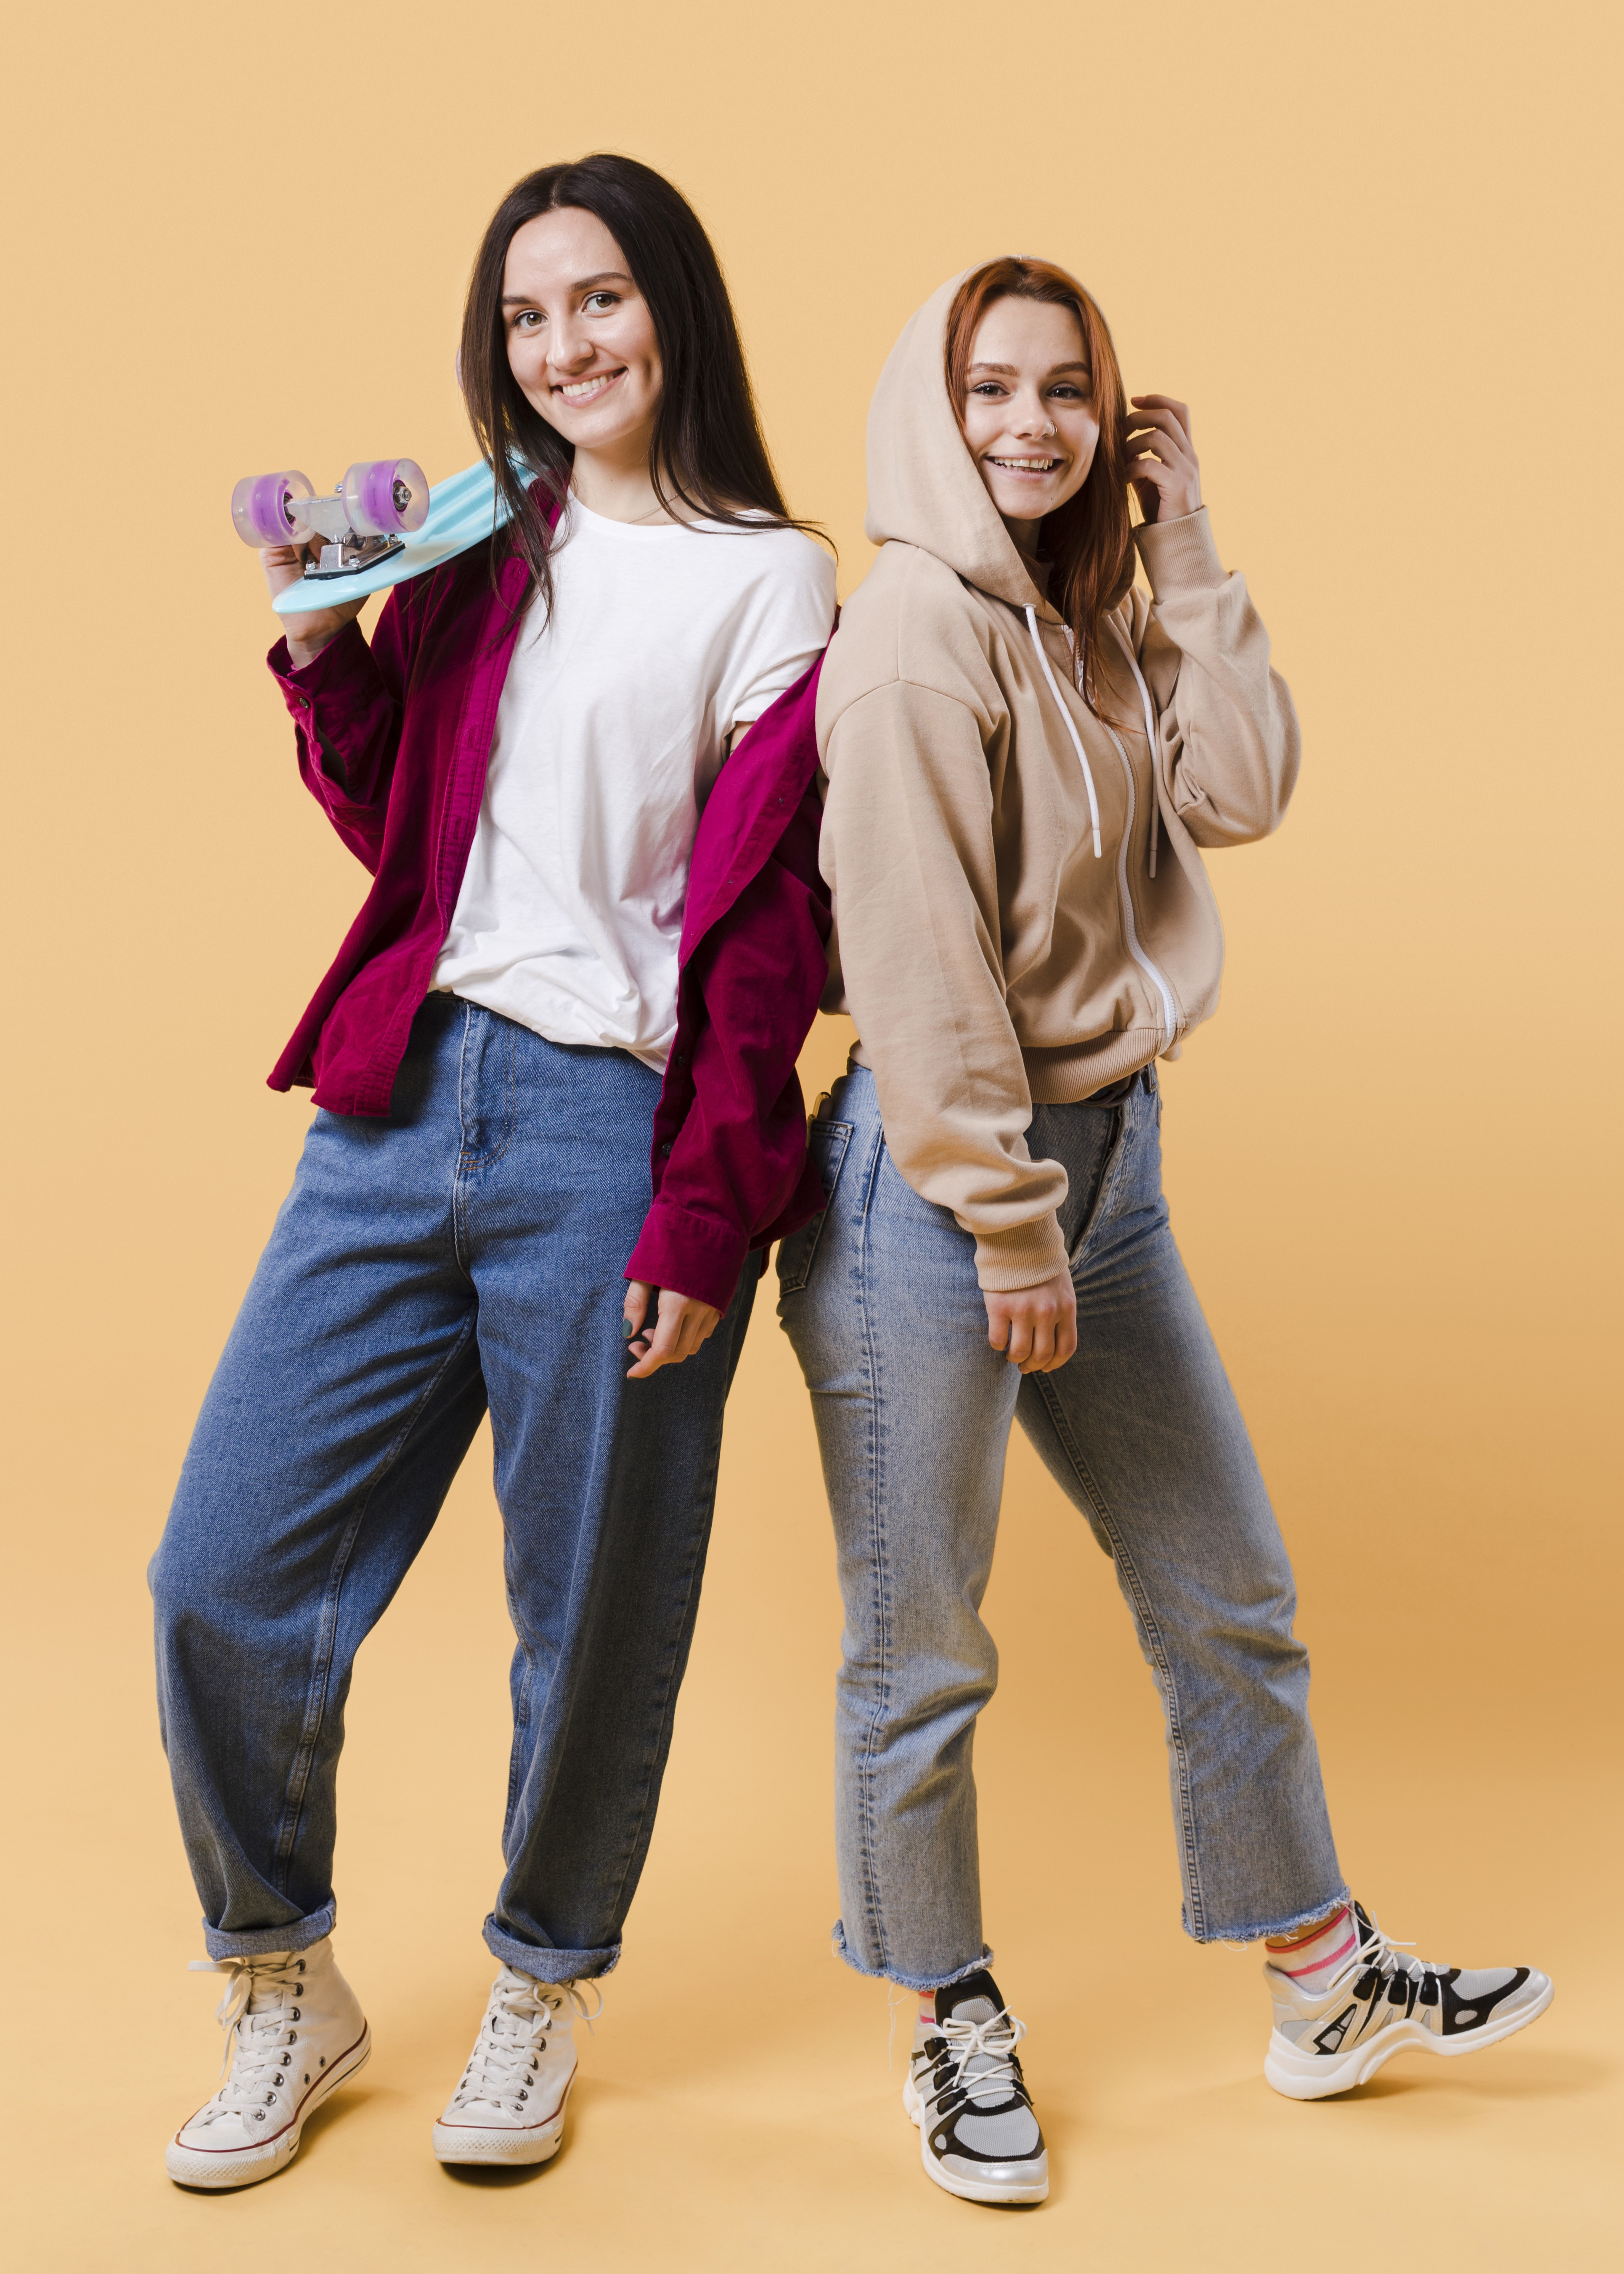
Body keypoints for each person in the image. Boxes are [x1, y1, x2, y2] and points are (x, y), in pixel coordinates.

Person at [780, 258, 1551, 2207]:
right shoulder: (910, 640)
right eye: (988, 387)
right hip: (941, 1190)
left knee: (1227, 1586)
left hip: (1106, 1169)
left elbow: (1249, 786)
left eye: (1066, 389)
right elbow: (923, 967)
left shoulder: (1094, 617)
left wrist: (1185, 542)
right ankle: (945, 2009)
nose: (1028, 424)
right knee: (921, 1641)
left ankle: (1322, 1981)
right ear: (929, 408)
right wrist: (1006, 1220)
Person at [151, 152, 836, 2190]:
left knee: (592, 1600)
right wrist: (323, 643)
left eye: (598, 300)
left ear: (674, 307)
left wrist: (705, 1205)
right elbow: (408, 837)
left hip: (611, 1126)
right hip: (396, 1096)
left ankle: (542, 1977)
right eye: (527, 317)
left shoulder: (771, 578)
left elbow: (765, 933)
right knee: (219, 1570)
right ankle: (283, 1978)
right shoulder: (480, 537)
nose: (563, 346)